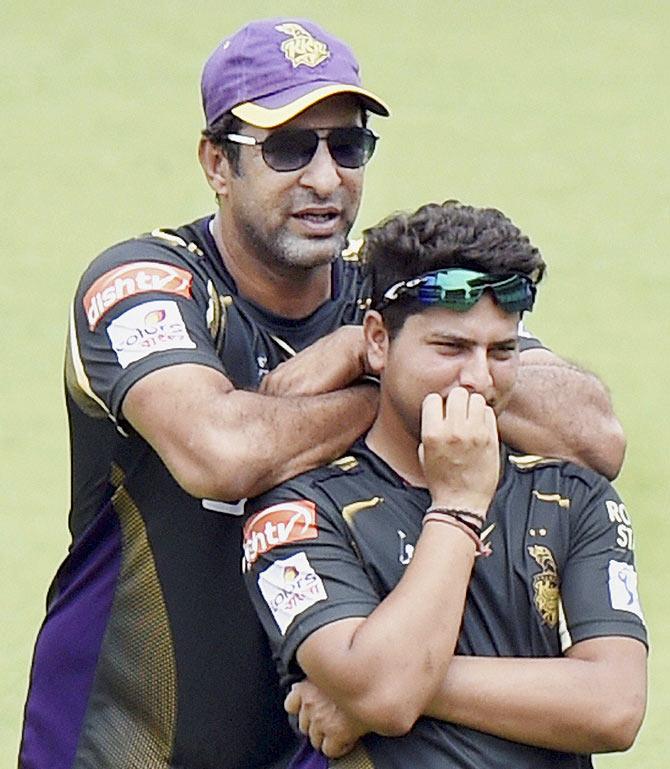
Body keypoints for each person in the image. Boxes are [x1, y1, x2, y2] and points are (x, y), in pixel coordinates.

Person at [19, 15, 625, 769]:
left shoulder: (389, 292)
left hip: (323, 734)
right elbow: (222, 452)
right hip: (126, 745)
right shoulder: (145, 285)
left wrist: (365, 357)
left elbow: (594, 436)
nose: (324, 177)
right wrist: (390, 389)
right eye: (286, 148)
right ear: (216, 162)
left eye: (347, 145)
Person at [242, 202, 647, 769]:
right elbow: (385, 695)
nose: (480, 380)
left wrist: (379, 685)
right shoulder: (300, 508)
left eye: (502, 351)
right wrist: (458, 505)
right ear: (377, 342)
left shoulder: (571, 494)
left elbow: (614, 708)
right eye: (451, 348)